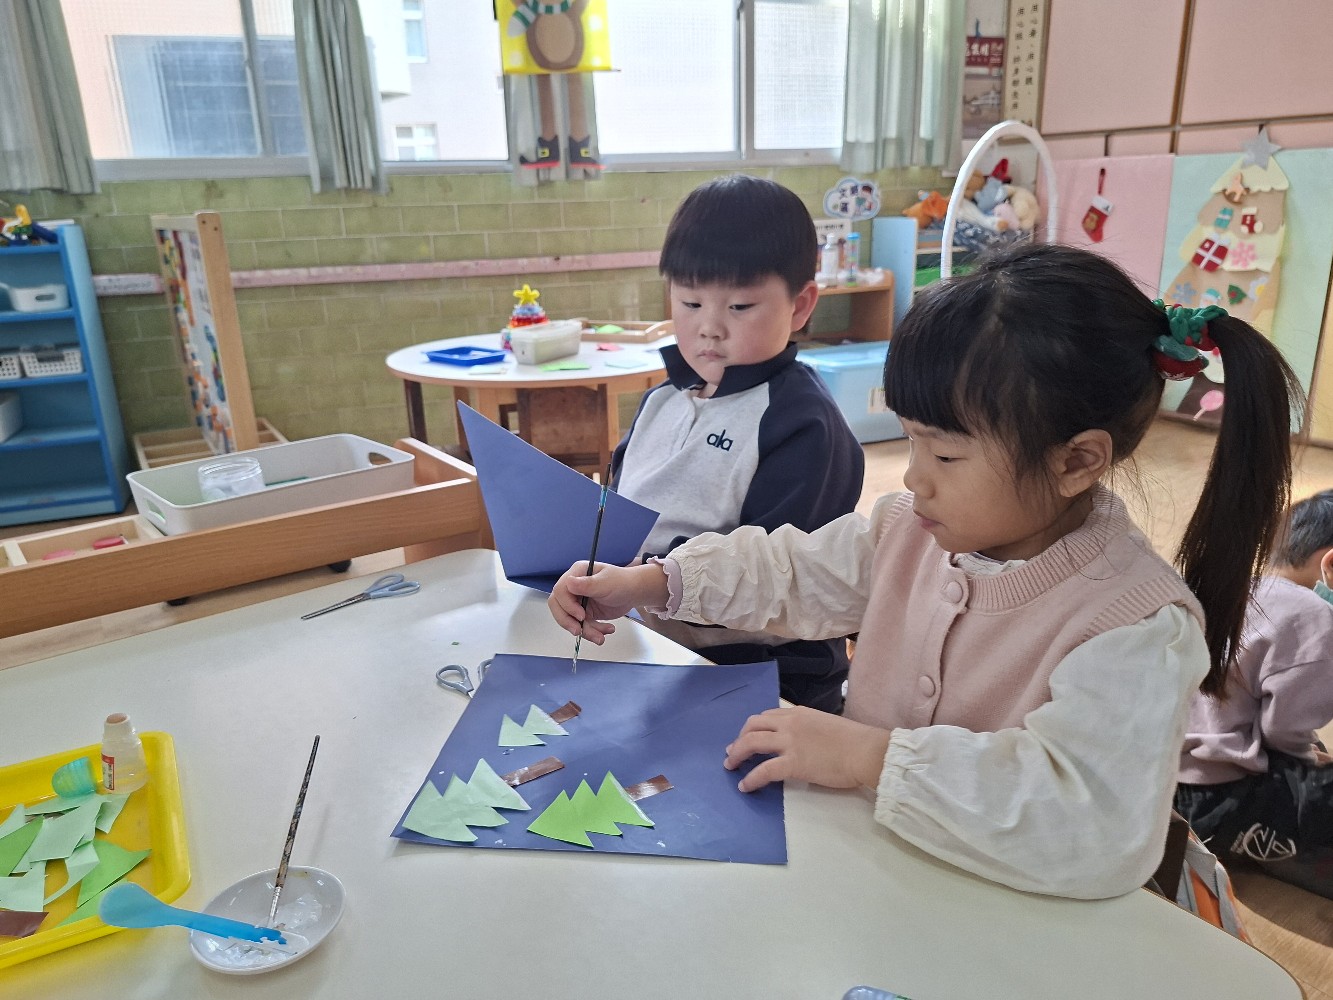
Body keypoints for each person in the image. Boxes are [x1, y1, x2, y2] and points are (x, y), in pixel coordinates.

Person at [549, 242, 1303, 899]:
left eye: (944, 453)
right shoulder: (911, 530)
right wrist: (657, 581)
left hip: (1011, 922)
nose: (914, 476)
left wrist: (871, 757)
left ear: (1076, 461)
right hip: (875, 879)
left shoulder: (1135, 625)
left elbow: (1089, 822)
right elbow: (793, 571)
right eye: (910, 442)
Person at [609, 173, 865, 713]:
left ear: (800, 306)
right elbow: (618, 509)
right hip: (649, 643)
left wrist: (642, 578)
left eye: (740, 307)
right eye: (690, 302)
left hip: (761, 676)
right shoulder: (661, 400)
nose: (710, 328)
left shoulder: (802, 424)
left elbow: (774, 582)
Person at [1176, 490, 1333, 898]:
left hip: (1165, 778)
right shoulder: (1314, 616)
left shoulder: (1234, 586)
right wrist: (1305, 760)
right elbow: (1283, 731)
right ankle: (1258, 842)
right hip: (1217, 796)